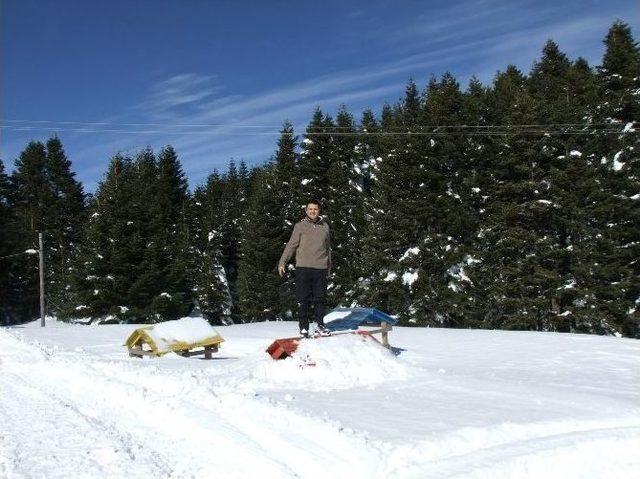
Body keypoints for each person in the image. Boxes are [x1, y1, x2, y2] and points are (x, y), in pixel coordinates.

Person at [278, 199, 331, 337]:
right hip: (303, 268)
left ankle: (320, 325)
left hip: (320, 268)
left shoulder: (325, 226)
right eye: (310, 209)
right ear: (306, 211)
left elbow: (328, 249)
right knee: (303, 299)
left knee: (320, 299)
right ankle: (304, 328)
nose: (313, 211)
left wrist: (328, 268)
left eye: (315, 209)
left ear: (319, 211)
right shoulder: (300, 226)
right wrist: (282, 262)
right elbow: (291, 245)